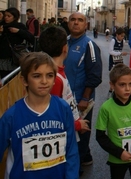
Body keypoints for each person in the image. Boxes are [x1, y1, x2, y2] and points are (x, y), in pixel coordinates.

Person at [0, 52, 79, 178]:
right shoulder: (11, 116)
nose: (44, 81)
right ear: (24, 80)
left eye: (49, 75)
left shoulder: (63, 108)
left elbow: (71, 151)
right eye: (37, 76)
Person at [96, 64, 131, 179]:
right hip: (118, 159)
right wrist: (119, 152)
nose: (127, 89)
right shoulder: (106, 108)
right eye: (122, 85)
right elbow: (100, 136)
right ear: (112, 85)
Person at [64, 12, 102, 167]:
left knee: (82, 131)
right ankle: (85, 157)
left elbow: (95, 75)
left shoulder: (89, 45)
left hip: (81, 99)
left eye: (80, 20)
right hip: (65, 98)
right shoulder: (64, 42)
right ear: (68, 23)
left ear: (85, 25)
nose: (76, 23)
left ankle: (77, 165)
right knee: (69, 130)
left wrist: (85, 98)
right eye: (73, 19)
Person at [39, 26, 91, 138]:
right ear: (65, 48)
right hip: (61, 137)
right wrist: (77, 125)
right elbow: (51, 116)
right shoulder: (54, 79)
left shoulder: (58, 72)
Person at [0, 7, 35, 78]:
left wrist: (18, 31)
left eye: (9, 16)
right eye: (5, 16)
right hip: (2, 58)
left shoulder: (19, 26)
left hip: (14, 58)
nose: (6, 18)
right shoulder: (1, 26)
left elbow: (31, 38)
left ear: (14, 17)